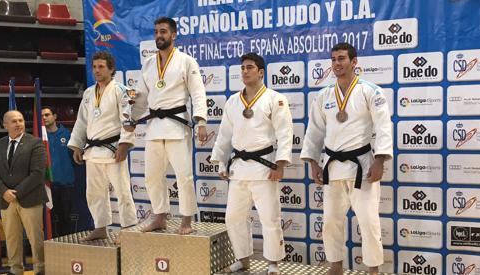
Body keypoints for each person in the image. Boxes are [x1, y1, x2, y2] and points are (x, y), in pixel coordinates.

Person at [300, 43, 392, 275]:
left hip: (362, 166)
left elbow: (383, 127)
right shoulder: (324, 95)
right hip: (332, 168)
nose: (336, 64)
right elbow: (315, 132)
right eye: (333, 59)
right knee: (331, 222)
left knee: (369, 223)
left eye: (341, 59)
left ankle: (373, 270)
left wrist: (380, 160)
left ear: (354, 62)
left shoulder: (370, 91)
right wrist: (313, 163)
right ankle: (335, 266)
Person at [210, 53, 293, 275]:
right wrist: (220, 162)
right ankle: (242, 259)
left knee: (269, 218)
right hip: (239, 169)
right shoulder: (233, 102)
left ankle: (273, 263)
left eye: (250, 67)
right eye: (243, 68)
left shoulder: (275, 99)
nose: (245, 71)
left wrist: (281, 164)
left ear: (261, 72)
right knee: (234, 218)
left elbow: (285, 134)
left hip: (264, 167)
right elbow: (224, 135)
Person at [126, 16, 207, 235]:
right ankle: (159, 216)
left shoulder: (186, 61)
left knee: (184, 176)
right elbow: (142, 96)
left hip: (177, 125)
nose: (158, 36)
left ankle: (187, 219)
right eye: (156, 32)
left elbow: (198, 92)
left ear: (173, 35)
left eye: (163, 31)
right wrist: (132, 118)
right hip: (154, 127)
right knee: (152, 176)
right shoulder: (149, 64)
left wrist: (200, 120)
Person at [68, 51, 138, 241]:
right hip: (92, 151)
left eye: (101, 67)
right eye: (94, 67)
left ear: (111, 69)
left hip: (113, 149)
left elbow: (128, 119)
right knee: (94, 192)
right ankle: (100, 226)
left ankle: (129, 228)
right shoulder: (89, 92)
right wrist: (76, 145)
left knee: (122, 191)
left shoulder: (123, 90)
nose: (96, 71)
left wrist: (124, 144)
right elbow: (82, 121)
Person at [0, 110, 46, 275]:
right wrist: (4, 191)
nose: (19, 123)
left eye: (20, 120)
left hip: (30, 198)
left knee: (35, 238)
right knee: (12, 239)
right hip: (6, 200)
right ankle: (15, 270)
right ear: (5, 124)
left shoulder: (35, 143)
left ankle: (40, 269)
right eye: (14, 121)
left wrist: (16, 193)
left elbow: (38, 173)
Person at [42, 106, 76, 236]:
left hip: (65, 184)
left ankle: (66, 246)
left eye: (47, 115)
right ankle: (52, 246)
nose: (44, 118)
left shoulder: (67, 135)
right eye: (42, 116)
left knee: (66, 218)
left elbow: (75, 156)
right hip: (48, 185)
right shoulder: (41, 137)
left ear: (55, 116)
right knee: (49, 219)